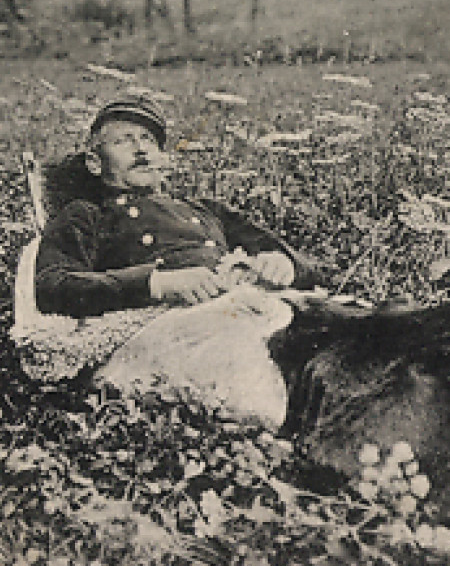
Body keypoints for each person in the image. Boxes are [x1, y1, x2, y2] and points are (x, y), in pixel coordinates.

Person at [32, 97, 323, 425]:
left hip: (248, 307)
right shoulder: (87, 214)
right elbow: (52, 286)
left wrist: (283, 264)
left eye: (148, 141)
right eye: (123, 140)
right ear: (95, 163)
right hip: (174, 328)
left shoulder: (206, 209)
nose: (140, 149)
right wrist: (156, 283)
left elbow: (308, 265)